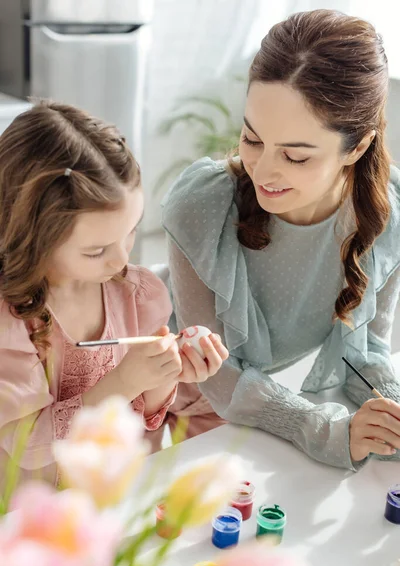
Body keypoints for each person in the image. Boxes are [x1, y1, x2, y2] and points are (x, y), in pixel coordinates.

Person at [162, 9, 400, 470]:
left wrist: (389, 409)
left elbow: (366, 347)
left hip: (265, 405)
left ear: (357, 147)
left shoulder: (388, 212)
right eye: (252, 140)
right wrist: (322, 429)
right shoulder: (202, 207)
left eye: (294, 156)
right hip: (176, 400)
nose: (264, 171)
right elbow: (217, 377)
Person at [0, 100, 229, 487]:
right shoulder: (12, 322)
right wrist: (122, 382)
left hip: (118, 489)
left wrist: (166, 370)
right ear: (32, 240)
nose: (121, 260)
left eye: (131, 232)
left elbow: (146, 415)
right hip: (40, 509)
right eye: (96, 250)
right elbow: (24, 444)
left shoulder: (134, 293)